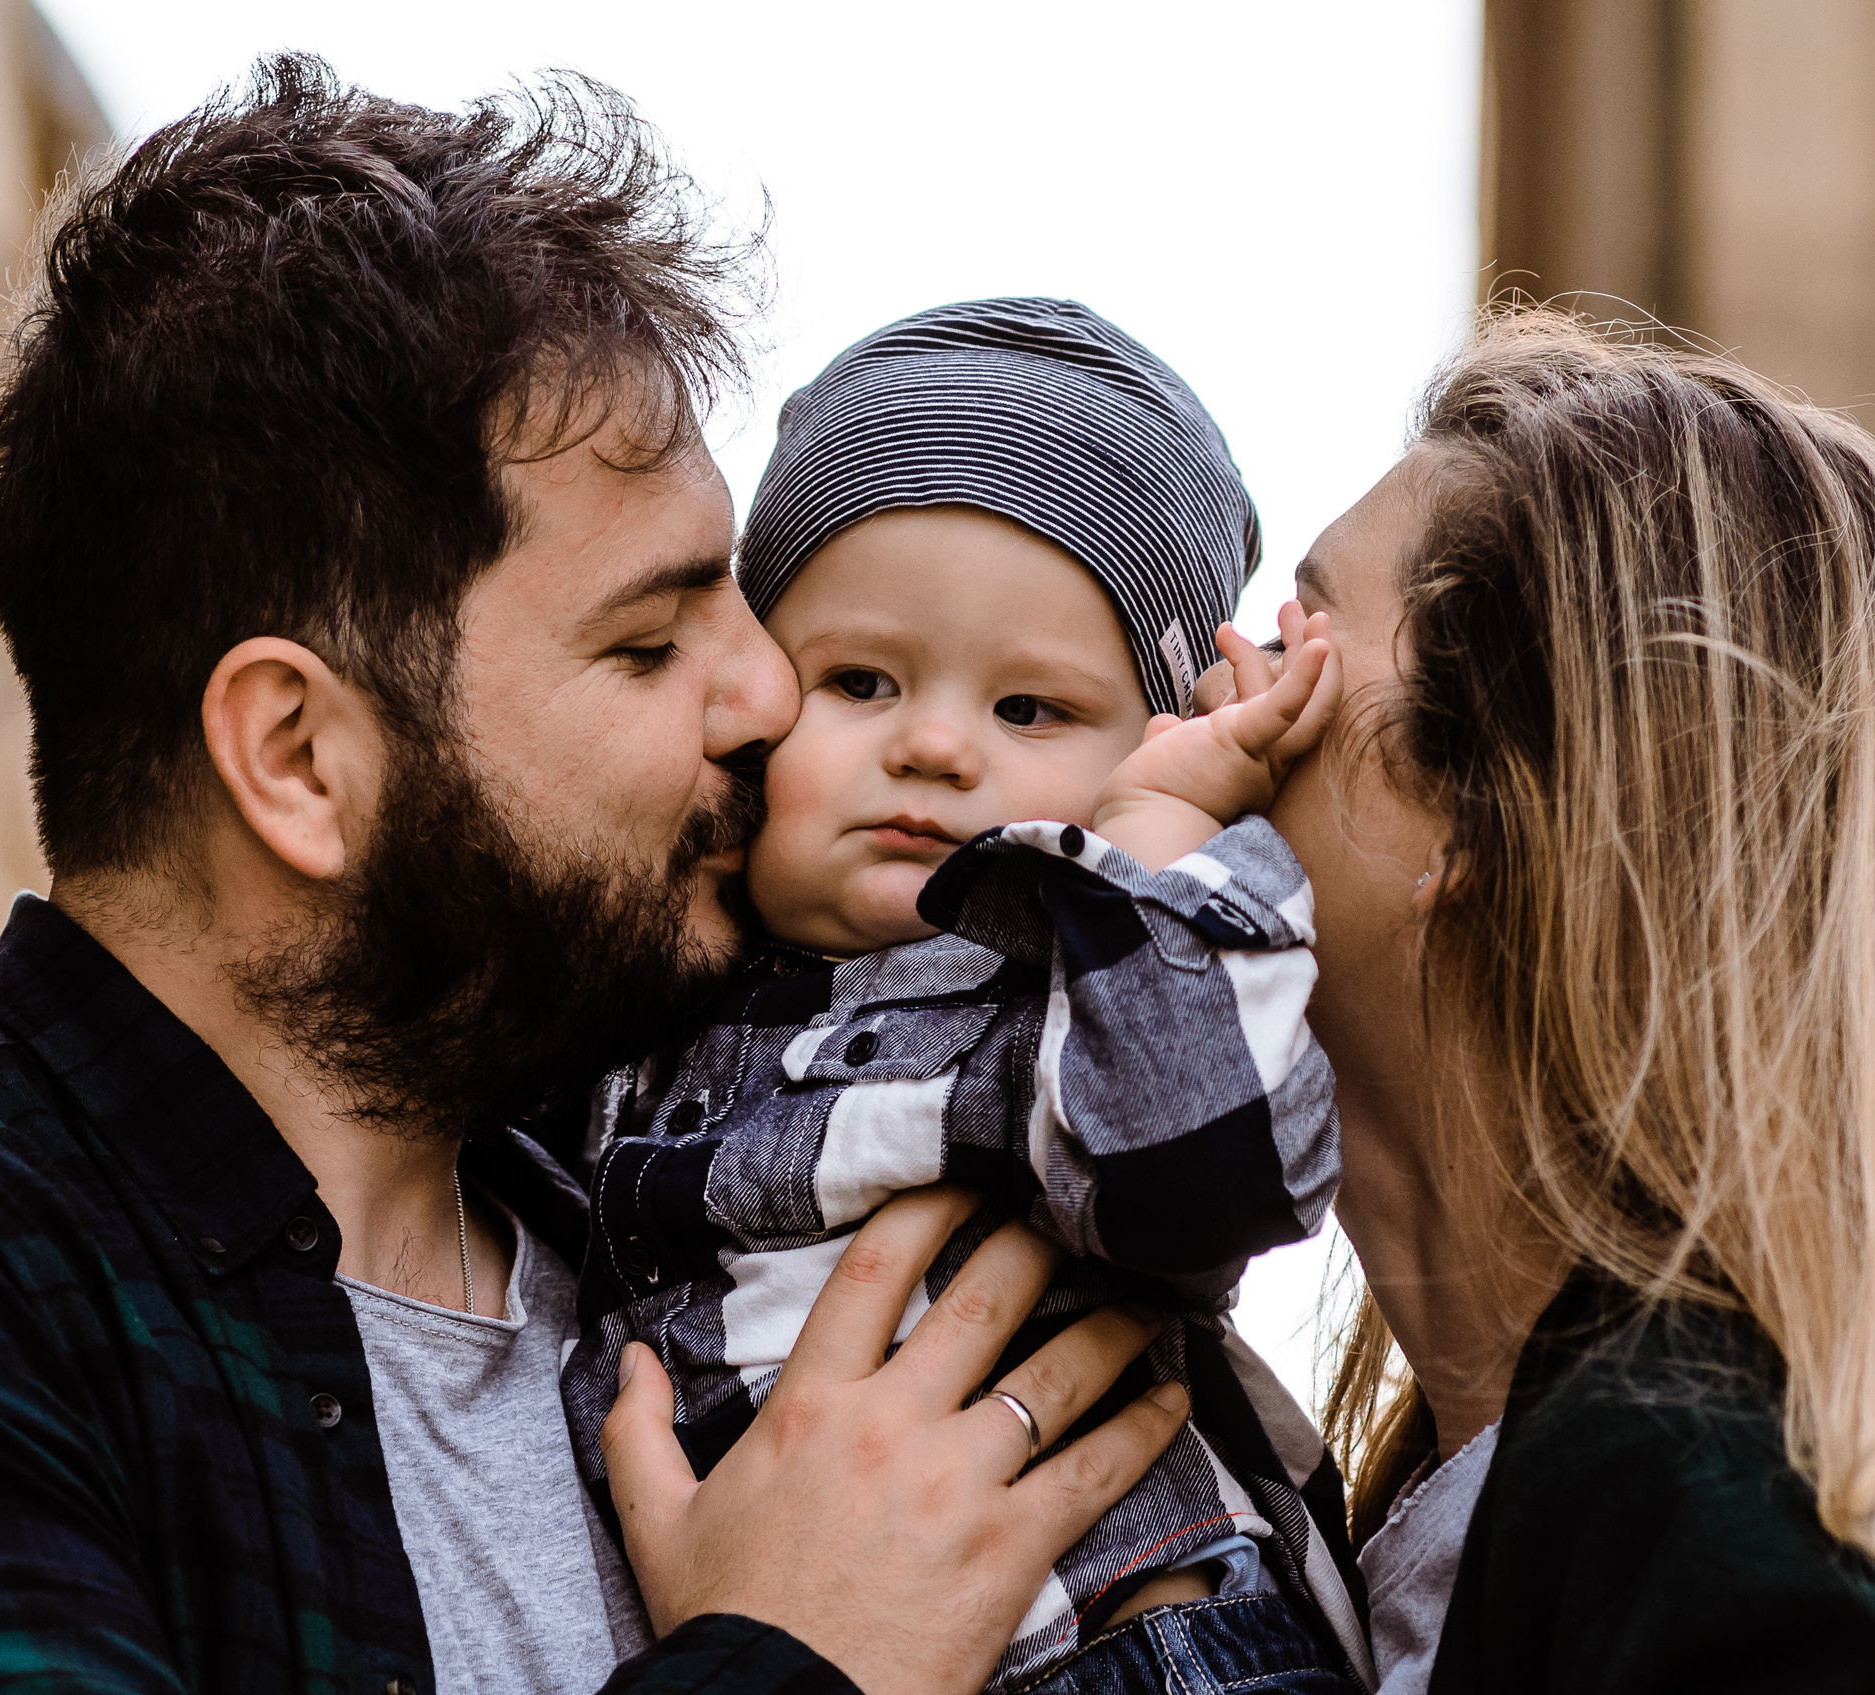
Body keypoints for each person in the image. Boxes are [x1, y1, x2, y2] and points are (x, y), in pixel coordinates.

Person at [0, 58, 1189, 1695]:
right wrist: (795, 1659)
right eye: (652, 638)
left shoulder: (690, 1217)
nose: (768, 697)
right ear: (302, 760)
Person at [1264, 309, 1875, 1692]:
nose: (1207, 689)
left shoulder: (1750, 1579)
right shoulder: (1484, 1529)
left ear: (1482, 799)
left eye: (1304, 625)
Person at [562, 300, 1370, 1695]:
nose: (933, 746)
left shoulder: (1079, 986)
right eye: (860, 682)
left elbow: (1208, 1176)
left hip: (1141, 1640)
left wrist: (1158, 842)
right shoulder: (638, 994)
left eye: (1029, 711)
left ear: (1155, 742)